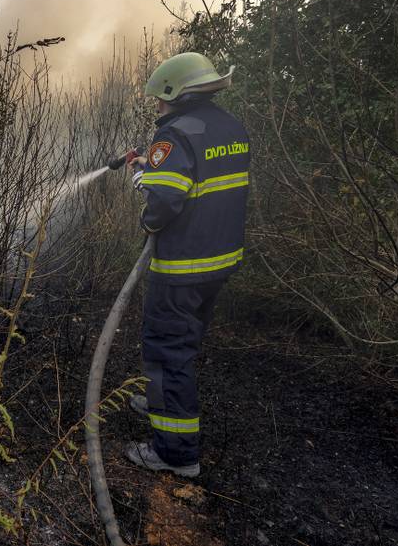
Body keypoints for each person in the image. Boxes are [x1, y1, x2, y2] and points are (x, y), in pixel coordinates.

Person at [124, 52, 251, 478]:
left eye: (160, 99)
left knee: (165, 350)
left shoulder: (175, 137)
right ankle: (163, 399)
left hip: (182, 267)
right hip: (220, 260)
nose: (157, 107)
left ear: (177, 94)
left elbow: (164, 203)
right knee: (184, 342)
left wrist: (147, 196)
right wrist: (151, 167)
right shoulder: (228, 127)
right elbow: (202, 181)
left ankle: (176, 454)